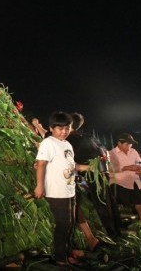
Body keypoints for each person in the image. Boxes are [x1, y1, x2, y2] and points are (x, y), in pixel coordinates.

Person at [34, 111, 89, 267]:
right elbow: (41, 164)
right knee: (63, 225)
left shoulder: (67, 144)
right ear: (52, 128)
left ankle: (67, 254)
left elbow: (74, 166)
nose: (64, 131)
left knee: (70, 224)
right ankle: (60, 259)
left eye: (67, 128)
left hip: (69, 190)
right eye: (60, 128)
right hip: (56, 191)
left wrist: (90, 167)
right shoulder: (48, 143)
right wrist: (39, 186)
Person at [66, 112, 122, 248]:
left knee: (100, 205)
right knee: (107, 202)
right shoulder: (89, 137)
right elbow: (104, 153)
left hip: (90, 176)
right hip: (101, 174)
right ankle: (115, 232)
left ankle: (109, 235)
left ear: (70, 125)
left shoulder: (71, 140)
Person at [109, 133, 141, 220]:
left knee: (140, 202)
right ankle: (121, 224)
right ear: (119, 143)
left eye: (131, 144)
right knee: (121, 205)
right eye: (127, 144)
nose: (130, 146)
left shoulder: (133, 151)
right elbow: (112, 168)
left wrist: (138, 168)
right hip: (120, 183)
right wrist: (128, 167)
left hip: (135, 180)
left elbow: (139, 162)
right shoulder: (112, 153)